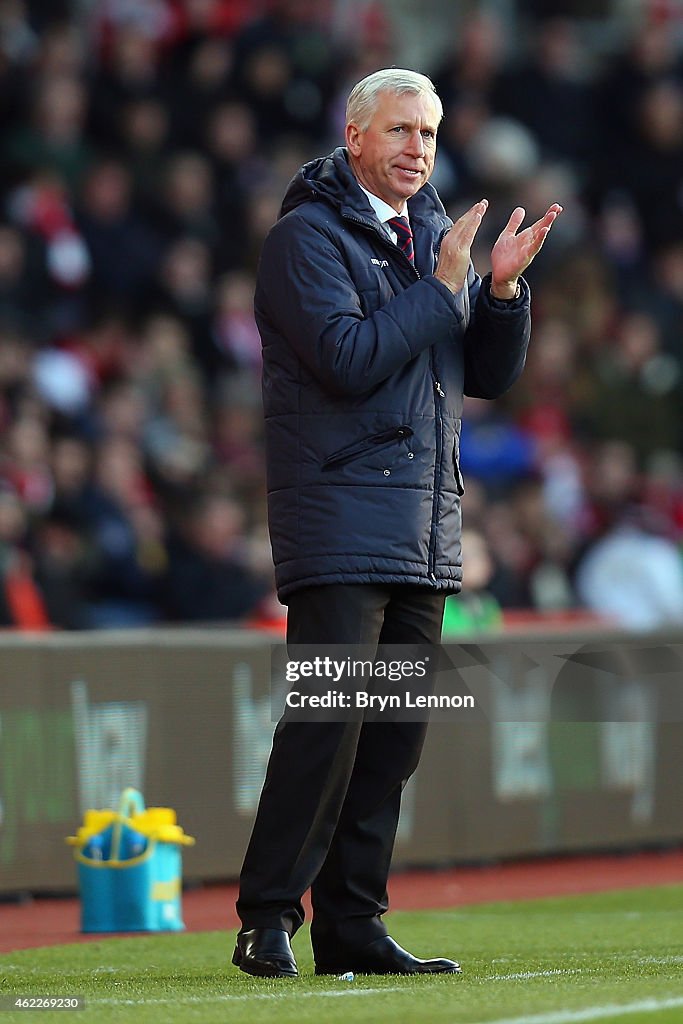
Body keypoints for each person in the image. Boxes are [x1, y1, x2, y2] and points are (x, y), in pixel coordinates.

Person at [233, 68, 561, 979]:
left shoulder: (432, 241)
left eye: (428, 132)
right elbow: (345, 358)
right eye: (401, 131)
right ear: (355, 138)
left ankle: (352, 923)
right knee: (327, 725)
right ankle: (266, 916)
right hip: (340, 518)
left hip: (424, 525)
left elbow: (483, 377)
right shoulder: (304, 238)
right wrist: (444, 283)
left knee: (389, 740)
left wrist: (495, 292)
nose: (419, 148)